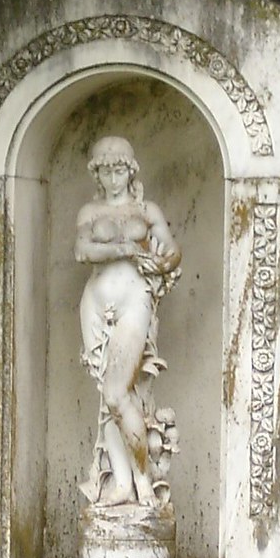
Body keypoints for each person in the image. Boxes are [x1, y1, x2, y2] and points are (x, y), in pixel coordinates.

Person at [75, 136, 181, 507]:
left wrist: (164, 260)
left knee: (119, 393)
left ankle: (142, 481)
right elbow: (82, 250)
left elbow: (171, 248)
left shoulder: (146, 209)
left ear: (130, 171)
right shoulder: (89, 212)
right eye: (105, 170)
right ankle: (121, 483)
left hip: (135, 301)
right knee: (108, 397)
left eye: (119, 169)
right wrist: (125, 249)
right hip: (96, 304)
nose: (113, 177)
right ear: (97, 174)